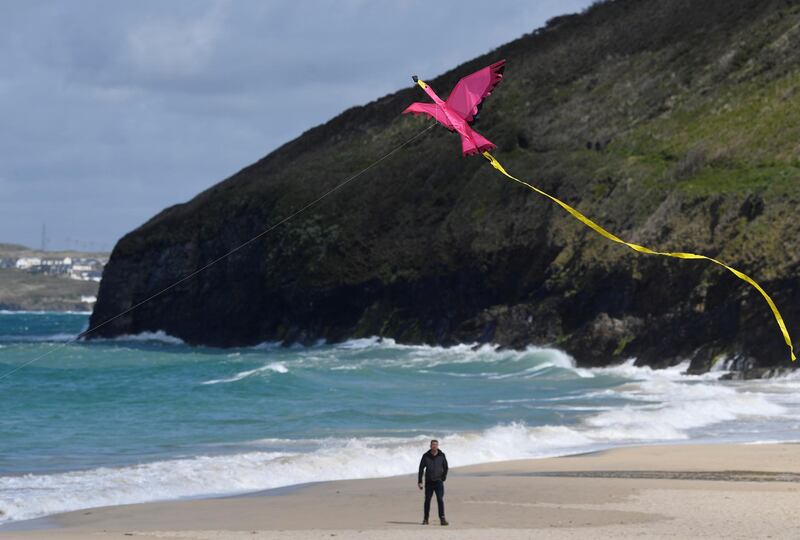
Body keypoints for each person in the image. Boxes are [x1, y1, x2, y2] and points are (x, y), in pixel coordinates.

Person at [417, 439, 449, 525]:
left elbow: (446, 467)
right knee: (427, 500)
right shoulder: (425, 456)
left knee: (440, 499)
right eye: (433, 445)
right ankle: (425, 519)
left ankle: (442, 519)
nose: (434, 446)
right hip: (429, 482)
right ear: (430, 446)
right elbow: (421, 469)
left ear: (437, 446)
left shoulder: (442, 455)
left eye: (436, 444)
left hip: (439, 482)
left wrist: (444, 477)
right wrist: (420, 481)